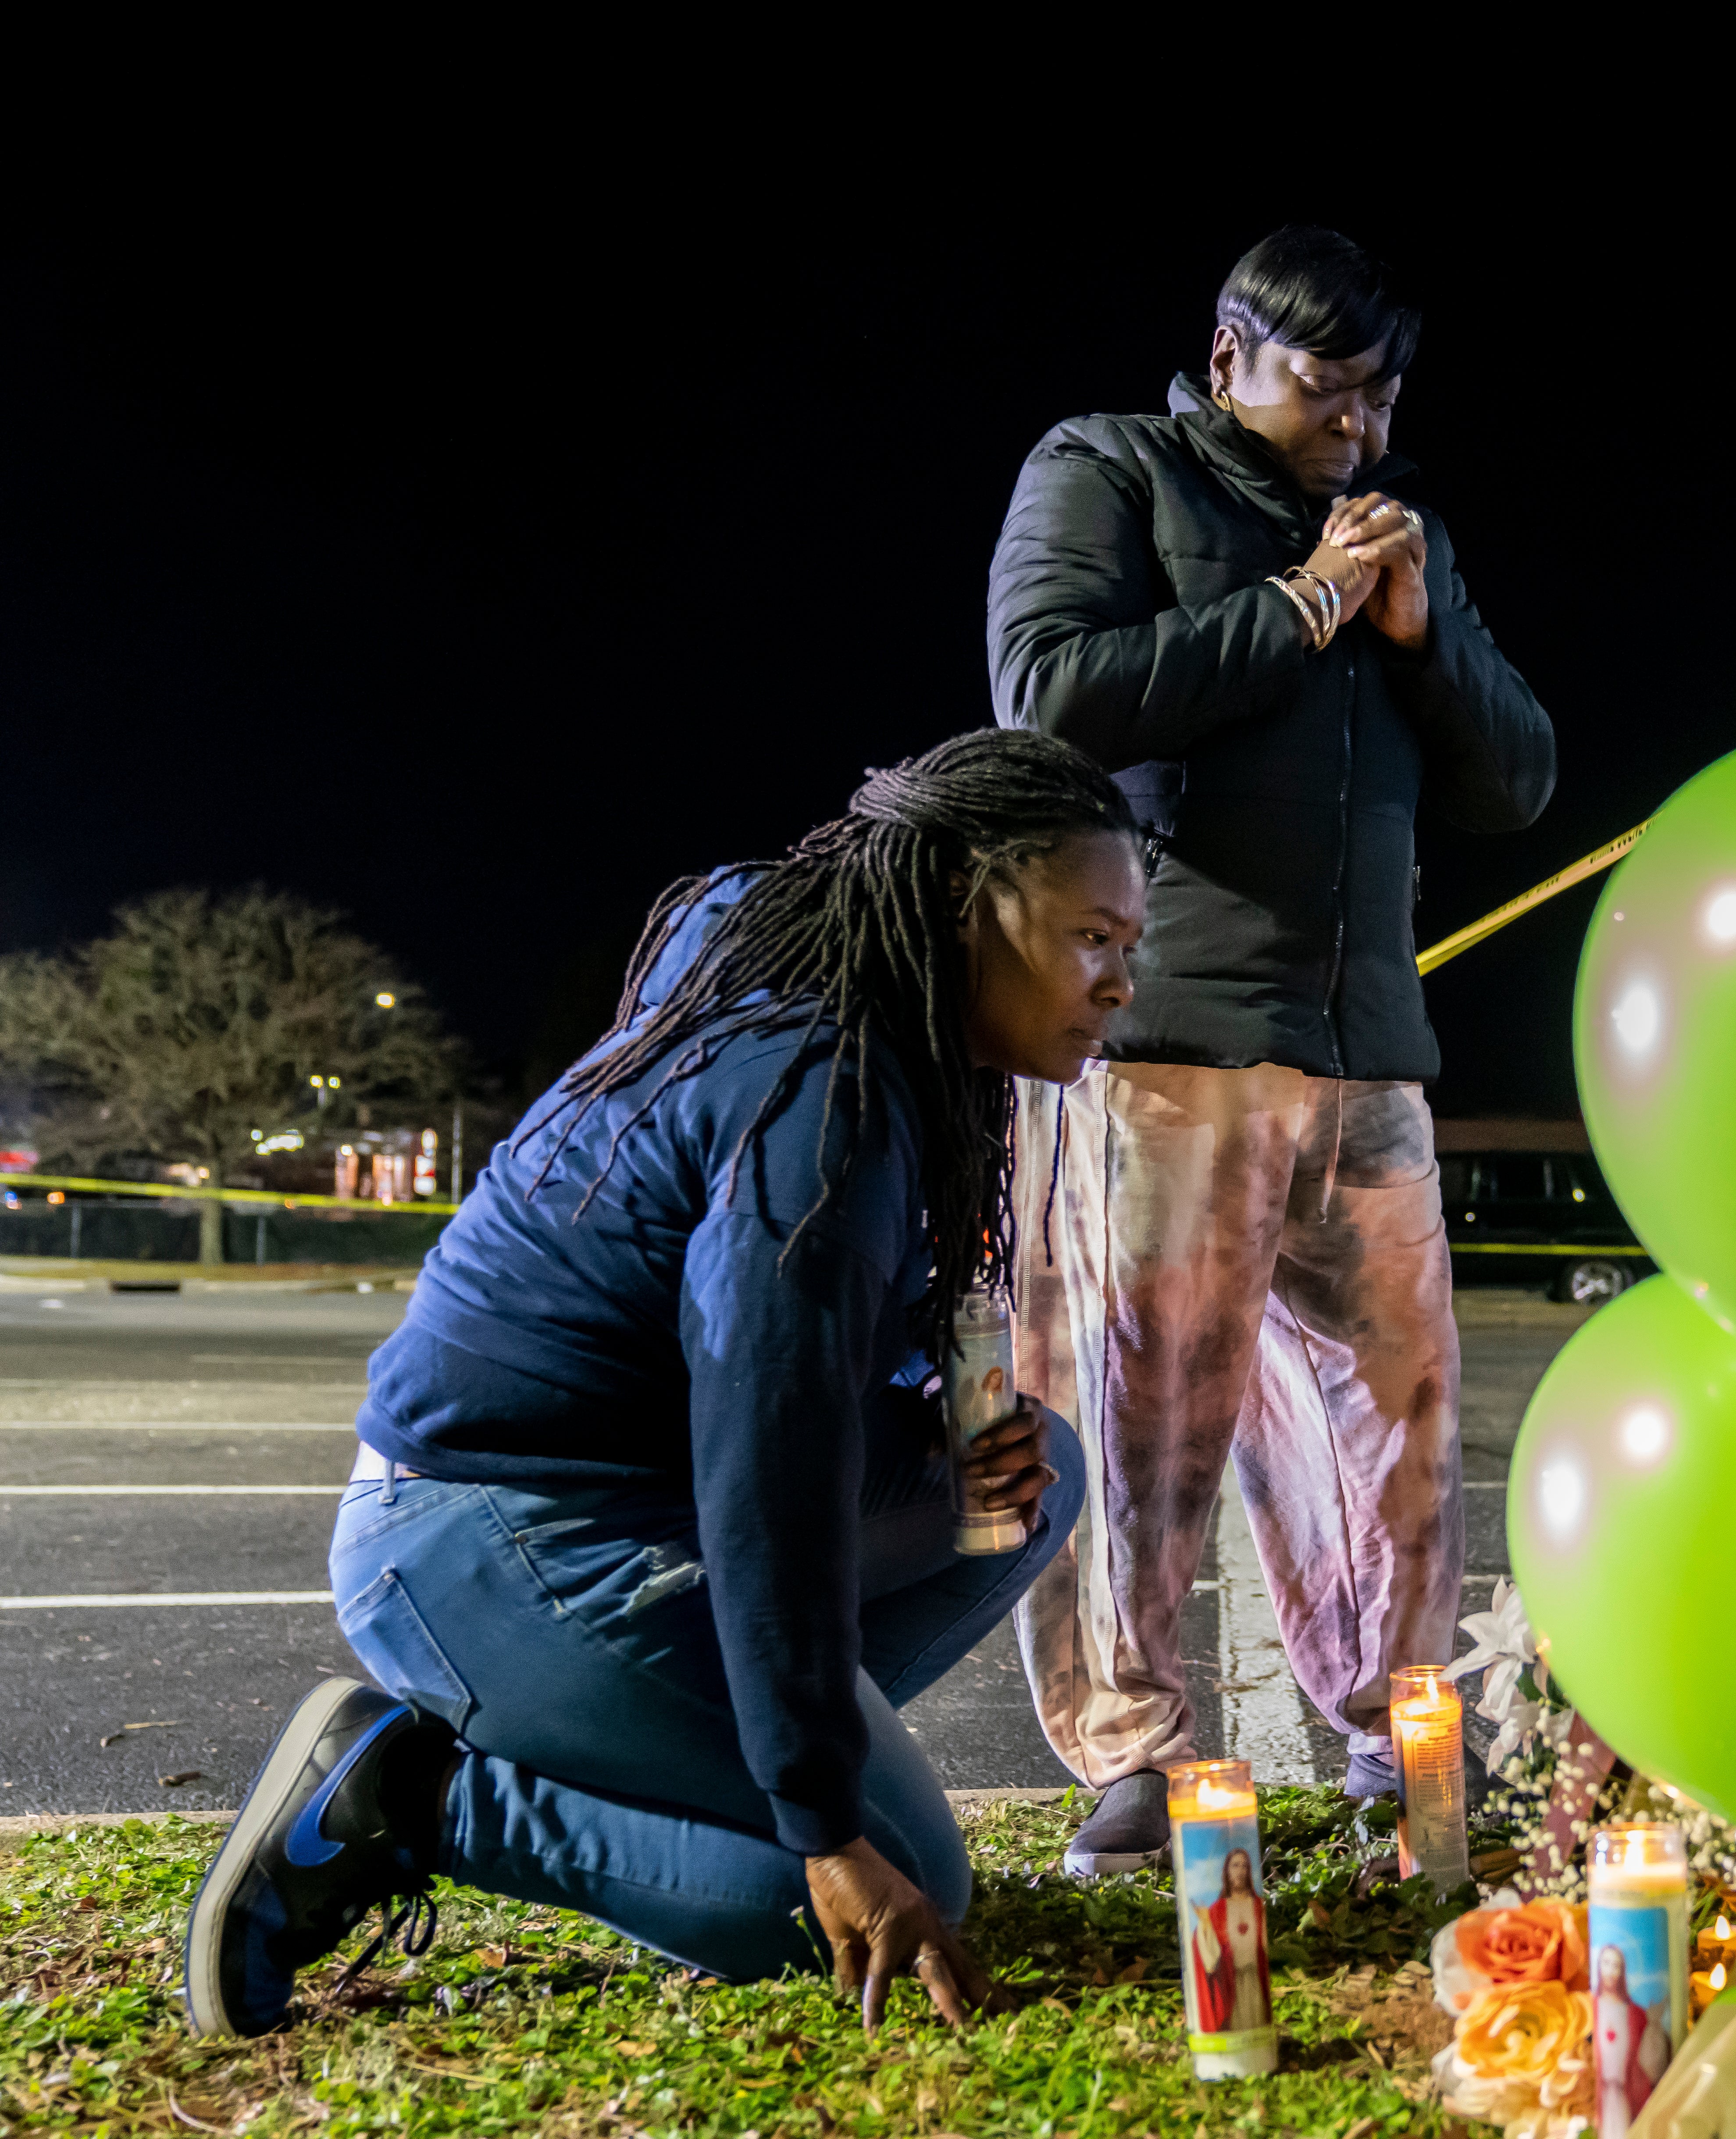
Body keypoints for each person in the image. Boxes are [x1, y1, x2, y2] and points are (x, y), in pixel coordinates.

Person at [183, 731, 1146, 2038]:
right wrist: (825, 1827)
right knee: (887, 1894)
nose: (1120, 983)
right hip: (489, 1528)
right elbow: (770, 1470)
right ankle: (406, 1796)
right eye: (1094, 939)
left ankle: (711, 1737)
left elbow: (885, 1336)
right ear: (965, 908)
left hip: (646, 1501)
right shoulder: (825, 1094)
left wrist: (947, 1415)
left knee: (1031, 1478)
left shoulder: (908, 1047)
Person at [986, 225, 1556, 1873]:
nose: (1357, 425)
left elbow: (1516, 775)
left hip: (1367, 1054)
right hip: (1166, 1038)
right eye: (1325, 385)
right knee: (1139, 1411)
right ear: (1230, 351)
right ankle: (1131, 1750)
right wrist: (1297, 605)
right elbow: (1050, 693)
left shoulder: (1390, 535)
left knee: (1401, 1417)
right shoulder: (1110, 469)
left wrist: (1415, 625)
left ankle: (1399, 1735)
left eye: (1381, 395)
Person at [1185, 1847, 1271, 2036]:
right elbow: (1208, 1953)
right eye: (1235, 1866)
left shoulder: (1258, 1905)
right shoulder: (1217, 1910)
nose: (1240, 1871)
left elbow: (1264, 1945)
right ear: (1227, 1871)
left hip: (1256, 1978)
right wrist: (1206, 1925)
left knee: (1258, 2023)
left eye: (1245, 1866)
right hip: (1232, 1981)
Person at [1591, 1940, 1669, 2139]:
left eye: (1616, 1965)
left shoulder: (1635, 2014)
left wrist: (1654, 2025)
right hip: (1597, 2097)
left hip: (1625, 2099)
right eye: (1606, 1963)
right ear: (1598, 1966)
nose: (1610, 1971)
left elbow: (1646, 2062)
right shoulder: (1589, 2008)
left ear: (1622, 1971)